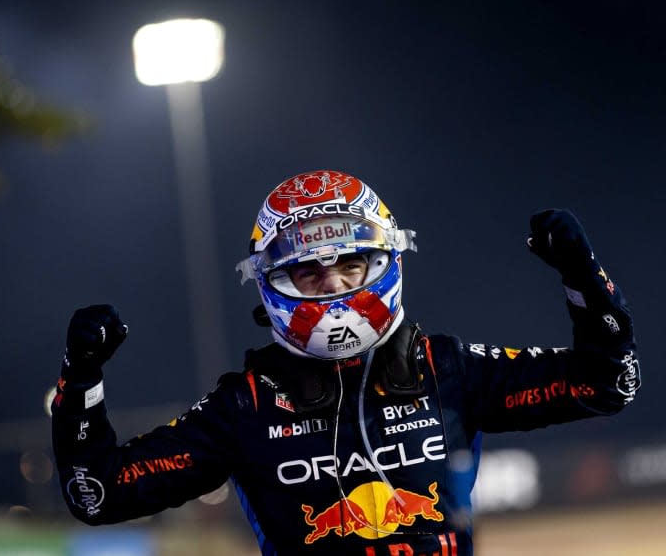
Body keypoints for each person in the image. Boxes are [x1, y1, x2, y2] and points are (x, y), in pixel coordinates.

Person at [51, 170, 640, 555]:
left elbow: (610, 383)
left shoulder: (448, 368)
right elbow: (97, 494)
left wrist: (585, 280)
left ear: (384, 261)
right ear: (274, 284)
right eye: (309, 271)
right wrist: (81, 381)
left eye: (349, 266)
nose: (332, 286)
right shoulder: (244, 407)